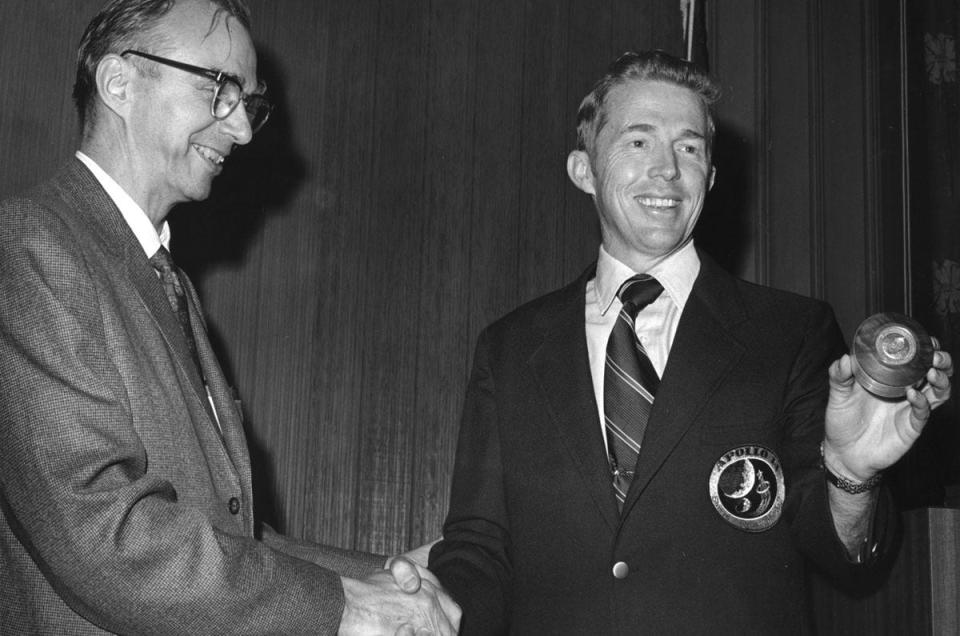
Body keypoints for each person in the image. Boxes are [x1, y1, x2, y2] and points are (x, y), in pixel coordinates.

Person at [428, 50, 953, 634]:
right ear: (583, 170)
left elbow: (844, 559)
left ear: (711, 176)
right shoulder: (509, 348)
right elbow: (478, 547)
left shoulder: (791, 332)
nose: (668, 170)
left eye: (690, 147)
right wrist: (427, 610)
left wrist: (852, 473)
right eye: (638, 142)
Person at [0, 1, 460, 634]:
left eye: (248, 102)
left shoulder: (166, 278)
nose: (242, 129)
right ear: (118, 84)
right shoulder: (26, 247)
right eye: (219, 88)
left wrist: (386, 570)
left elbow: (225, 536)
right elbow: (104, 533)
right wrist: (347, 605)